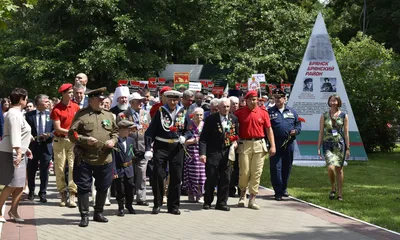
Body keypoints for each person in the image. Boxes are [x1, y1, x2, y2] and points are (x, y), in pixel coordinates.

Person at [68, 87, 118, 227]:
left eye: (104, 100)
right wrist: (85, 140)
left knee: (103, 186)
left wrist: (112, 141)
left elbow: (115, 132)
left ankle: (98, 213)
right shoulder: (81, 115)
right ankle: (84, 216)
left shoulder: (108, 115)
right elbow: (72, 134)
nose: (103, 102)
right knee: (83, 187)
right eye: (100, 100)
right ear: (91, 101)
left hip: (104, 158)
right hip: (85, 158)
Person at [144, 90, 191, 215]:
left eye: (175, 100)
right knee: (158, 175)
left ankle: (173, 206)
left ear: (179, 100)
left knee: (176, 176)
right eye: (170, 99)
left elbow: (190, 129)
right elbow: (150, 132)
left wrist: (185, 137)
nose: (173, 102)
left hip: (176, 147)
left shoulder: (183, 112)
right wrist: (148, 148)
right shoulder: (160, 112)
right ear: (166, 99)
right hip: (161, 146)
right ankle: (157, 204)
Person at [235, 90, 276, 210]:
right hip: (244, 144)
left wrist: (272, 145)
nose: (253, 102)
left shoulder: (263, 112)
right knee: (244, 172)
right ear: (246, 100)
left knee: (256, 173)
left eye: (255, 99)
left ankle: (252, 199)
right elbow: (234, 128)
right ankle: (242, 195)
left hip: (259, 144)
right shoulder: (239, 113)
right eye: (251, 99)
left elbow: (269, 130)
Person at [199, 98, 239, 211]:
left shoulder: (233, 119)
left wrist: (235, 142)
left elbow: (236, 134)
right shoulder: (211, 119)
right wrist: (202, 153)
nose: (226, 109)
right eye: (223, 107)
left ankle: (222, 202)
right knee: (211, 178)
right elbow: (203, 139)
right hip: (213, 152)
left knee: (226, 178)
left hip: (227, 152)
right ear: (218, 108)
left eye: (227, 107)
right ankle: (207, 201)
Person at [0, 88, 33, 223]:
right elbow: (14, 133)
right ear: (21, 100)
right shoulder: (14, 114)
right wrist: (18, 151)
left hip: (19, 151)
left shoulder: (18, 113)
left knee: (19, 184)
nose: (27, 101)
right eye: (26, 98)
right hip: (12, 152)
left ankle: (13, 211)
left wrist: (26, 148)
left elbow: (21, 133)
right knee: (12, 183)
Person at [117, 92, 151, 206]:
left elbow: (149, 131)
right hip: (128, 149)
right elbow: (119, 132)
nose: (141, 103)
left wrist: (149, 147)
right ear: (131, 103)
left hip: (142, 147)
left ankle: (141, 197)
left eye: (141, 100)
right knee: (129, 175)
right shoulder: (122, 115)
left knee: (142, 173)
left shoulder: (146, 114)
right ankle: (128, 197)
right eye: (138, 101)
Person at [268, 88, 302, 201]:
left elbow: (298, 125)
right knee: (275, 168)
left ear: (284, 98)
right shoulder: (270, 112)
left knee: (287, 167)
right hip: (275, 143)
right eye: (275, 97)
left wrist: (296, 131)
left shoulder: (292, 111)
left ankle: (284, 188)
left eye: (279, 97)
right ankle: (277, 191)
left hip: (289, 143)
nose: (277, 99)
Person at [50, 83, 81, 207]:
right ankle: (62, 193)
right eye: (69, 92)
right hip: (60, 140)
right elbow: (57, 128)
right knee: (60, 167)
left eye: (72, 92)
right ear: (63, 94)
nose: (71, 94)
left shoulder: (76, 107)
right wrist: (71, 132)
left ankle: (73, 194)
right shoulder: (56, 109)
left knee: (73, 167)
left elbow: (79, 123)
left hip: (72, 141)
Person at [317, 94, 350, 201]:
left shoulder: (344, 115)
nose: (333, 102)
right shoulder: (324, 115)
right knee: (330, 167)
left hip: (340, 144)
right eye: (331, 100)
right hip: (327, 143)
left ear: (338, 102)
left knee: (339, 169)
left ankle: (340, 193)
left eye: (335, 100)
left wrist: (348, 148)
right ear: (329, 102)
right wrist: (318, 147)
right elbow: (321, 132)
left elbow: (346, 133)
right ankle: (333, 187)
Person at [25, 94, 54, 203]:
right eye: (46, 101)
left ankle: (43, 193)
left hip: (46, 146)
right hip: (33, 146)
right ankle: (31, 191)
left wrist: (50, 135)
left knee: (44, 171)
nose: (48, 103)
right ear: (39, 103)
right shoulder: (29, 115)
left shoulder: (51, 115)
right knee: (31, 170)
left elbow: (54, 130)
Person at [112, 120, 138, 216]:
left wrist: (143, 154)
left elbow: (134, 152)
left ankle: (129, 205)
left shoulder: (130, 140)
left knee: (130, 188)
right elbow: (113, 157)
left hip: (129, 168)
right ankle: (121, 207)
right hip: (119, 169)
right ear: (121, 130)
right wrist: (114, 171)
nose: (130, 131)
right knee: (120, 190)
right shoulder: (115, 141)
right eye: (128, 129)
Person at [183, 107, 206, 203]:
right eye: (197, 115)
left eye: (201, 115)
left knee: (202, 175)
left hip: (201, 153)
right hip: (191, 154)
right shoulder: (189, 125)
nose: (199, 117)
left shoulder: (205, 125)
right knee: (192, 175)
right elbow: (183, 140)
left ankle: (200, 194)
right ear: (193, 116)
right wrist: (192, 141)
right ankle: (191, 194)